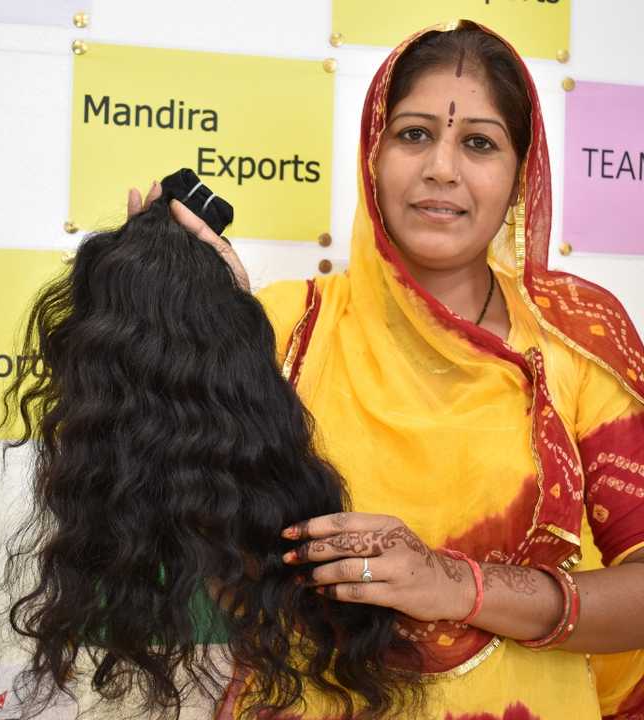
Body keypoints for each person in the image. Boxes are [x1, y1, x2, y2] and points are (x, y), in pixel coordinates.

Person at [130, 18, 644, 720]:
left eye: (479, 143)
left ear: (520, 173)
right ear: (372, 156)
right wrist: (205, 338)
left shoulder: (575, 340)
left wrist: (454, 585)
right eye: (414, 134)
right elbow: (214, 566)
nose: (442, 168)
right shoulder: (288, 329)